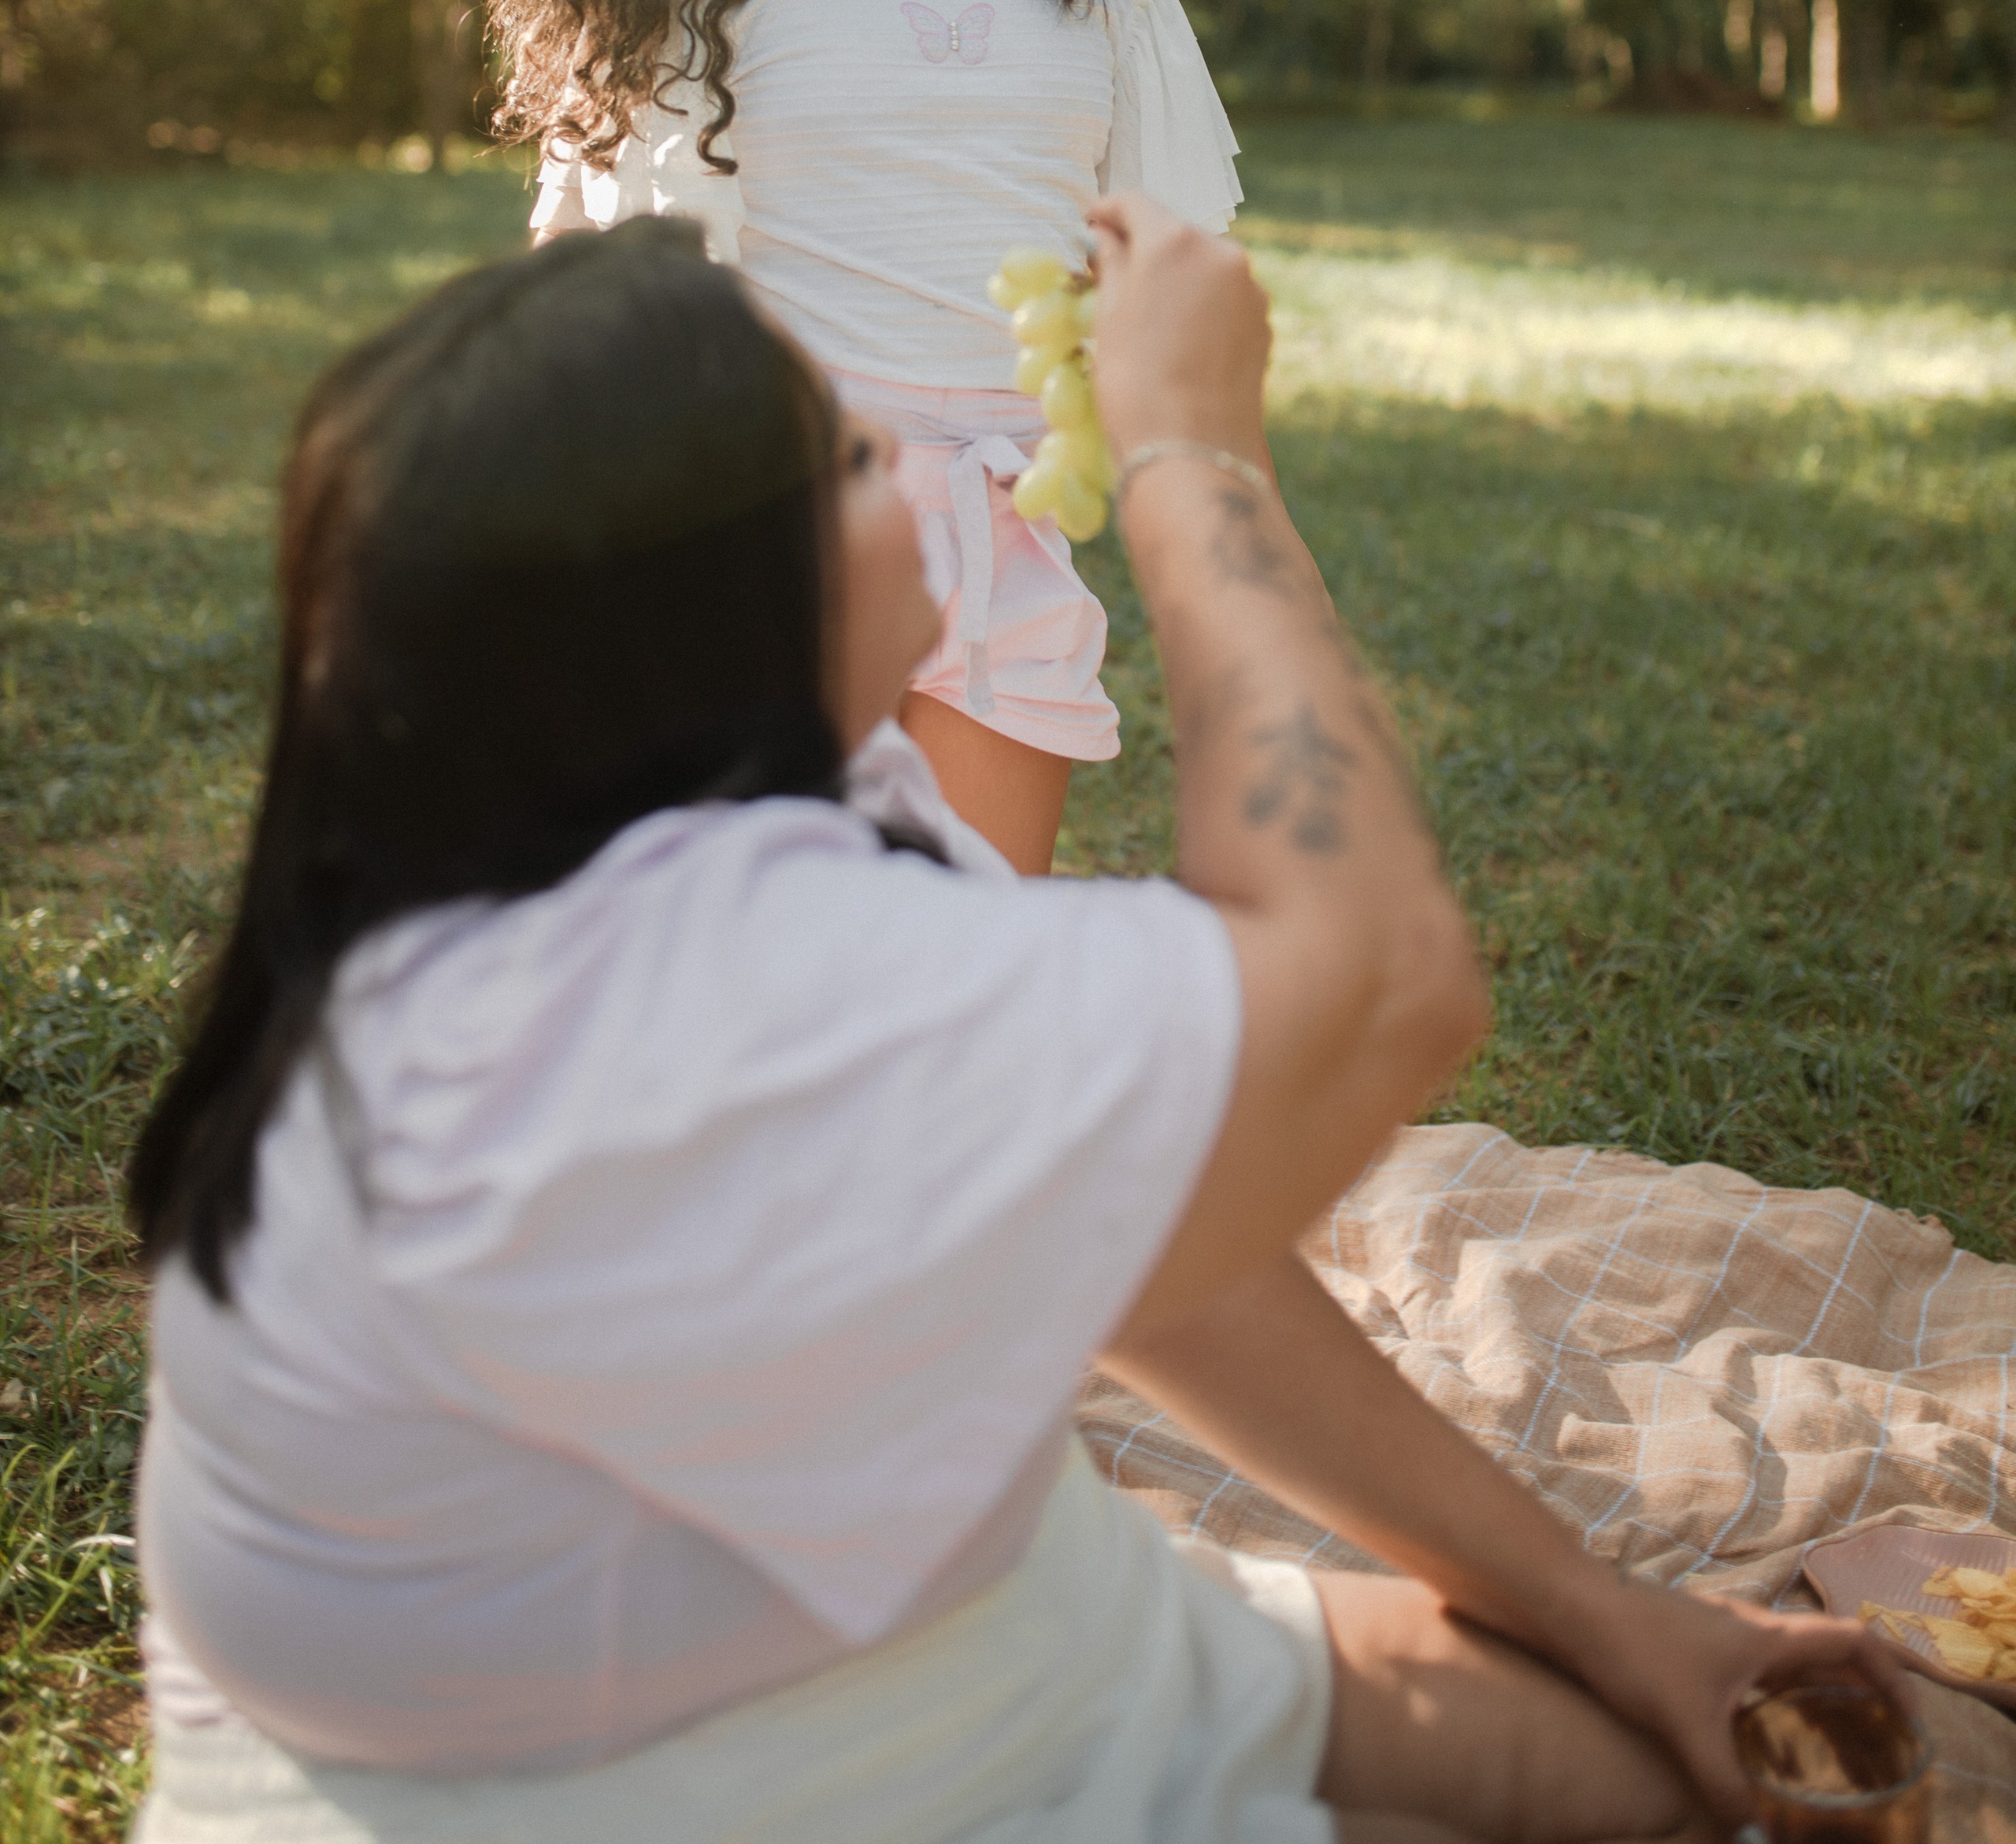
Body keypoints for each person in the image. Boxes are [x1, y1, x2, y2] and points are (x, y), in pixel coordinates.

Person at [128, 200, 1892, 1844]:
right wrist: (1195, 451)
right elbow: (1377, 977)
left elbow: (1140, 1248)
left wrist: (1603, 1615)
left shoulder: (737, 802)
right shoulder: (687, 1001)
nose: (901, 457)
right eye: (840, 459)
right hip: (653, 1783)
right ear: (710, 621)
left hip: (955, 1644)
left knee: (1685, 1757)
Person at [490, 0, 1243, 872]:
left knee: (964, 956)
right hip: (763, 527)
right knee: (754, 950)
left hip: (998, 527)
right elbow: (586, 261)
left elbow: (1173, 261)